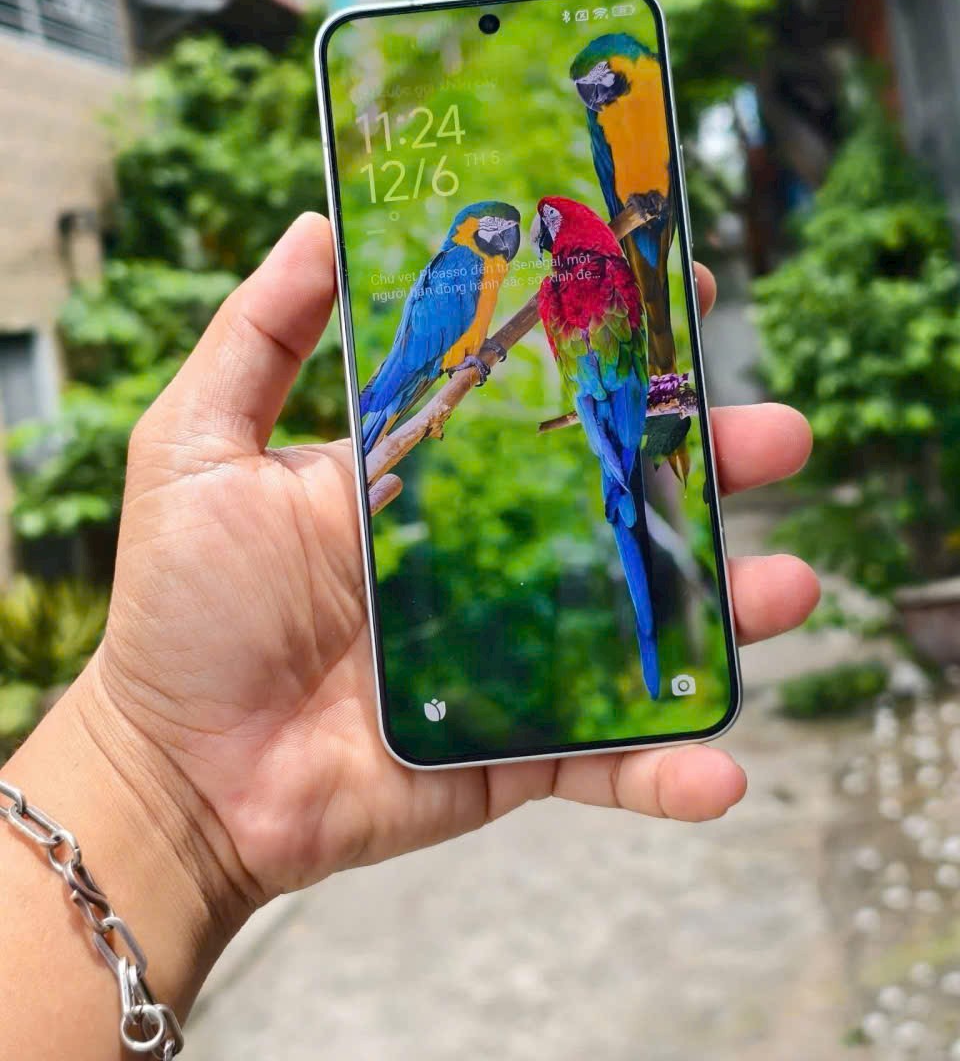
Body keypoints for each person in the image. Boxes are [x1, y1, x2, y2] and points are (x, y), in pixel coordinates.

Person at [0, 214, 819, 1058]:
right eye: (495, 228)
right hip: (437, 375)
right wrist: (155, 772)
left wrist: (163, 794)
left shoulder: (537, 283)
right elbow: (431, 354)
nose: (508, 239)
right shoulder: (459, 274)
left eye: (518, 230)